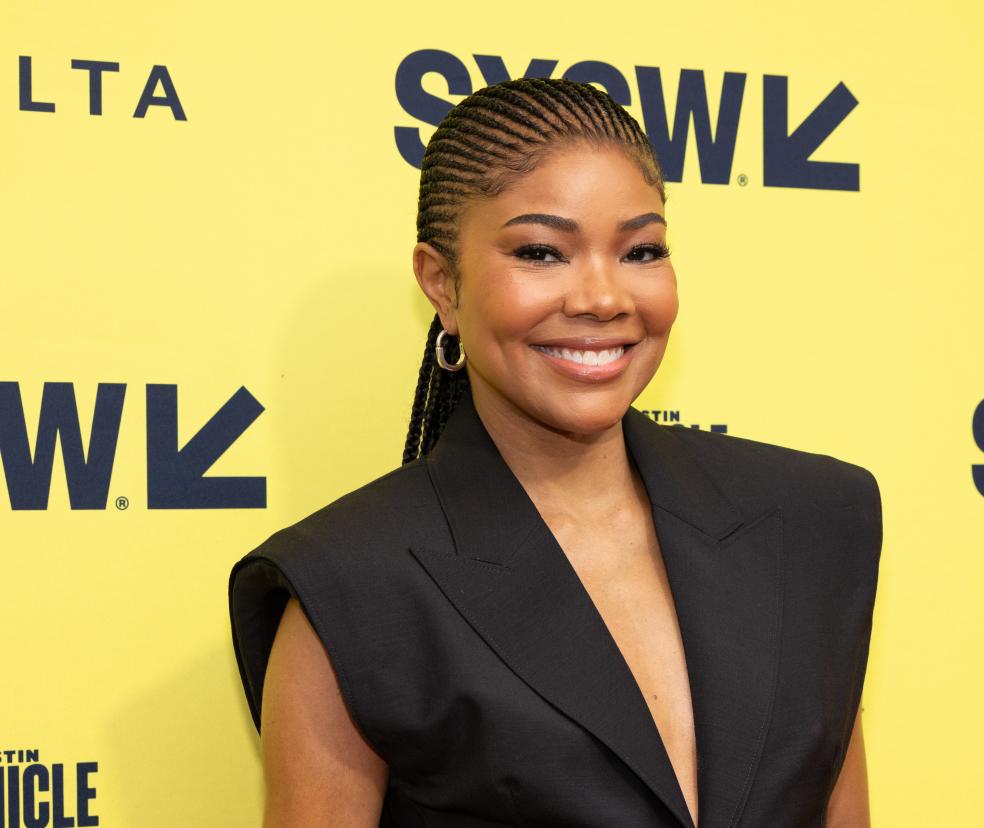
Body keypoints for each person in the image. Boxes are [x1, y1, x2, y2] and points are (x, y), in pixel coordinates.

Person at [228, 76, 882, 828]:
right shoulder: (350, 591)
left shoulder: (810, 520)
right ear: (441, 282)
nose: (603, 297)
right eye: (541, 252)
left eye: (641, 250)